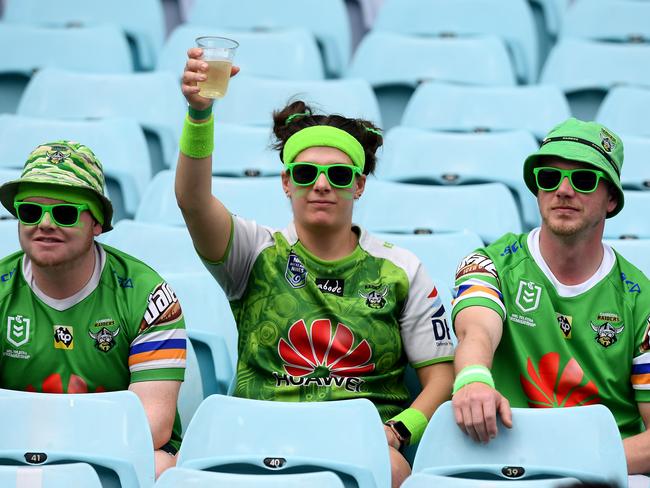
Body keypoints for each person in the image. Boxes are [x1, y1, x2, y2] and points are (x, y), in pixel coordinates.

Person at [176, 49, 454, 487]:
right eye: (305, 173)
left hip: (359, 443)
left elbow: (441, 377)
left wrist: (399, 432)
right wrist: (198, 116)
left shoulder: (401, 268)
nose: (321, 184)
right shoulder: (254, 250)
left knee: (396, 473)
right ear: (286, 182)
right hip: (257, 437)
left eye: (339, 176)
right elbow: (193, 202)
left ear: (359, 185)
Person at [451, 118, 650, 476]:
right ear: (538, 190)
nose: (563, 190)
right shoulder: (489, 262)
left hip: (603, 473)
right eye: (550, 178)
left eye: (584, 180)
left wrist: (570, 464)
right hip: (503, 466)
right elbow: (476, 330)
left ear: (611, 200)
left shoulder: (641, 298)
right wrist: (474, 376)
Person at [0, 141, 187, 478]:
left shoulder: (149, 296)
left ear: (98, 222)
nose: (44, 223)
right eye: (30, 211)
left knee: (159, 467)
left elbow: (153, 426)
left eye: (65, 213)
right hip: (17, 450)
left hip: (113, 455)